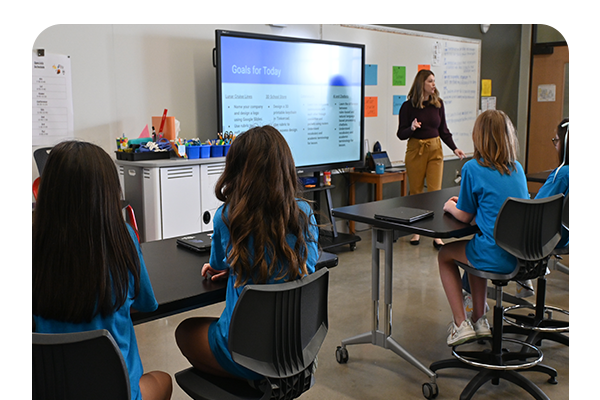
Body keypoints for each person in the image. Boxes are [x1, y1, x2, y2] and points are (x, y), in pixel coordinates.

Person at [175, 125, 320, 380]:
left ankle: (249, 382)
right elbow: (311, 262)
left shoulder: (227, 218)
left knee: (184, 331)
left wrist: (231, 265)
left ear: (236, 171)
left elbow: (219, 262)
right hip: (296, 350)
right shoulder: (304, 214)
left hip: (244, 353)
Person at [32, 141, 172, 400]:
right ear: (107, 192)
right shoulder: (123, 240)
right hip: (118, 391)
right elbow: (146, 304)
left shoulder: (33, 247)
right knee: (163, 380)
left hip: (53, 391)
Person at [437, 110, 529, 346]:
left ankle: (460, 324)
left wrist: (450, 207)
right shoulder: (517, 169)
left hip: (494, 255)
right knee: (475, 249)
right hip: (520, 256)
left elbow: (465, 216)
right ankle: (479, 319)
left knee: (445, 255)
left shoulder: (472, 169)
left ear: (479, 137)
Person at [397, 69, 466, 249]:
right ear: (421, 84)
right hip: (415, 149)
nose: (433, 84)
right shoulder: (407, 107)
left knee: (435, 190)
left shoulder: (438, 104)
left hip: (435, 149)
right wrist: (411, 128)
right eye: (430, 81)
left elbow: (444, 130)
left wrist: (455, 147)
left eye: (434, 81)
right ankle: (417, 231)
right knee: (417, 191)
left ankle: (437, 234)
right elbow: (401, 134)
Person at [514, 117, 570, 298]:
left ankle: (524, 273)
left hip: (550, 238)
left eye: (557, 140)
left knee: (489, 233)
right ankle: (526, 276)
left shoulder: (562, 174)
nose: (555, 145)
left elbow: (537, 206)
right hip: (566, 236)